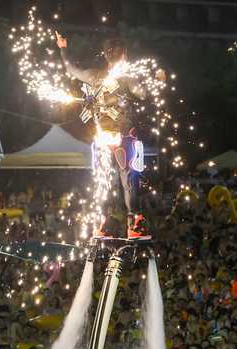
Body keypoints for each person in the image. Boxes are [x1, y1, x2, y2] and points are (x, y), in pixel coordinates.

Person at [55, 31, 161, 240]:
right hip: (123, 137)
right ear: (124, 56)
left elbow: (70, 68)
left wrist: (63, 48)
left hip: (102, 137)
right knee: (128, 179)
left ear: (106, 55)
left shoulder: (95, 76)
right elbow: (144, 94)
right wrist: (157, 79)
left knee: (105, 181)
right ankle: (134, 224)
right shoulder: (127, 77)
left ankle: (105, 223)